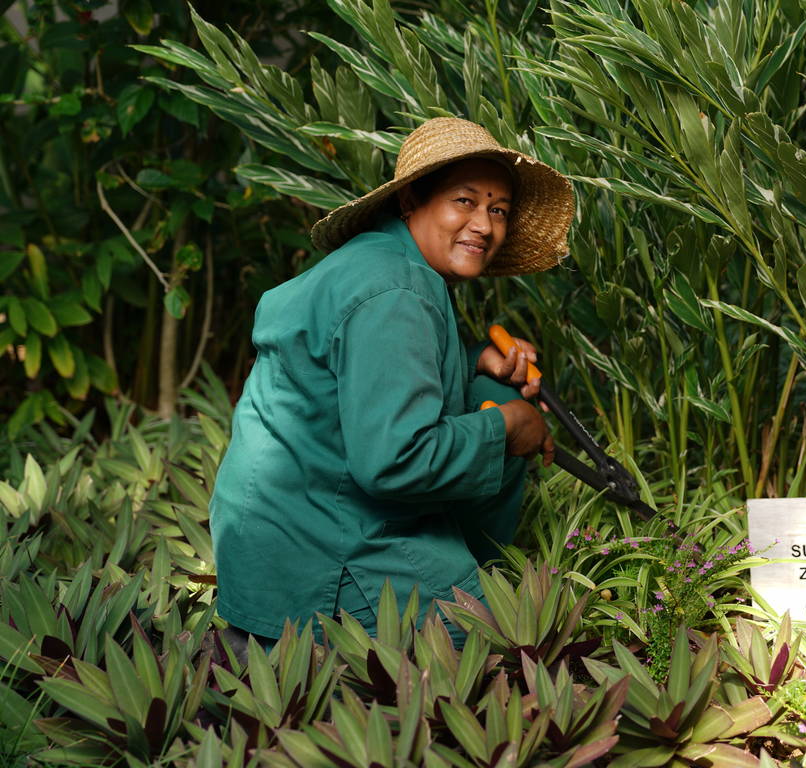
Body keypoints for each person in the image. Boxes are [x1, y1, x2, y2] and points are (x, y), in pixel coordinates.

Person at [209, 117, 574, 654]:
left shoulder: (383, 262)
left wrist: (477, 360)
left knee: (487, 396)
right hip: (320, 548)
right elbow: (395, 459)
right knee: (489, 643)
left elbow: (366, 374)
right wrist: (508, 428)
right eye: (464, 201)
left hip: (273, 530)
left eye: (497, 209)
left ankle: (455, 563)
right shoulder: (396, 293)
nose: (484, 224)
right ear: (411, 200)